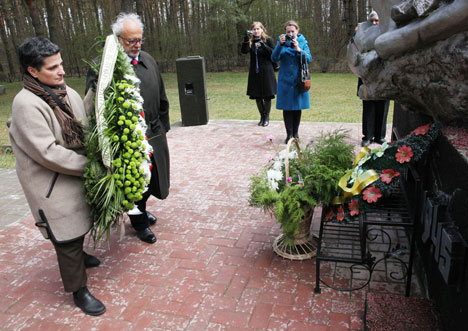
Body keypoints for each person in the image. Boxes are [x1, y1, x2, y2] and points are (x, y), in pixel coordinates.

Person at [9, 37, 106, 316]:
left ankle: (80, 256)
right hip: (50, 183)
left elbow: (81, 116)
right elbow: (48, 153)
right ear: (32, 71)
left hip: (71, 173)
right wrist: (92, 166)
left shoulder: (62, 91)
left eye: (61, 64)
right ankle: (79, 291)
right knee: (65, 237)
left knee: (79, 225)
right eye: (53, 67)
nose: (61, 71)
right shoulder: (26, 104)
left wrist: (95, 91)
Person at [86, 13, 170, 244]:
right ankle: (139, 222)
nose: (136, 45)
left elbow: (161, 94)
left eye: (140, 40)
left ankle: (141, 211)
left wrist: (164, 126)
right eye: (130, 40)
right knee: (133, 180)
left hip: (153, 130)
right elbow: (96, 106)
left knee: (152, 177)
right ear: (117, 39)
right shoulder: (104, 67)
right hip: (127, 136)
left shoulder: (148, 59)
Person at [271, 20, 312, 144]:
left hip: (298, 80)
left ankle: (296, 133)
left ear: (297, 31)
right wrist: (279, 45)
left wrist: (299, 49)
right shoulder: (281, 42)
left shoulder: (303, 42)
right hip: (285, 80)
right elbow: (274, 58)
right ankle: (289, 134)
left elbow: (309, 59)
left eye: (292, 31)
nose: (290, 33)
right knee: (287, 108)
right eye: (288, 31)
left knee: (297, 107)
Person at [359, 10, 390, 147]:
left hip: (383, 75)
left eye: (377, 20)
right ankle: (367, 136)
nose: (374, 23)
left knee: (383, 107)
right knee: (369, 108)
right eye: (372, 21)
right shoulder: (362, 36)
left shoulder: (388, 34)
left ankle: (380, 136)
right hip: (367, 76)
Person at [241, 21, 277, 126]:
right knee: (257, 96)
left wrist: (263, 45)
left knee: (267, 95)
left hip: (267, 70)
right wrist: (246, 38)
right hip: (254, 71)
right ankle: (262, 116)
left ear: (262, 29)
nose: (256, 31)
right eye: (254, 29)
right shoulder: (250, 41)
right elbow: (244, 51)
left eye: (258, 29)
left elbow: (274, 53)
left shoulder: (268, 40)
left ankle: (267, 117)